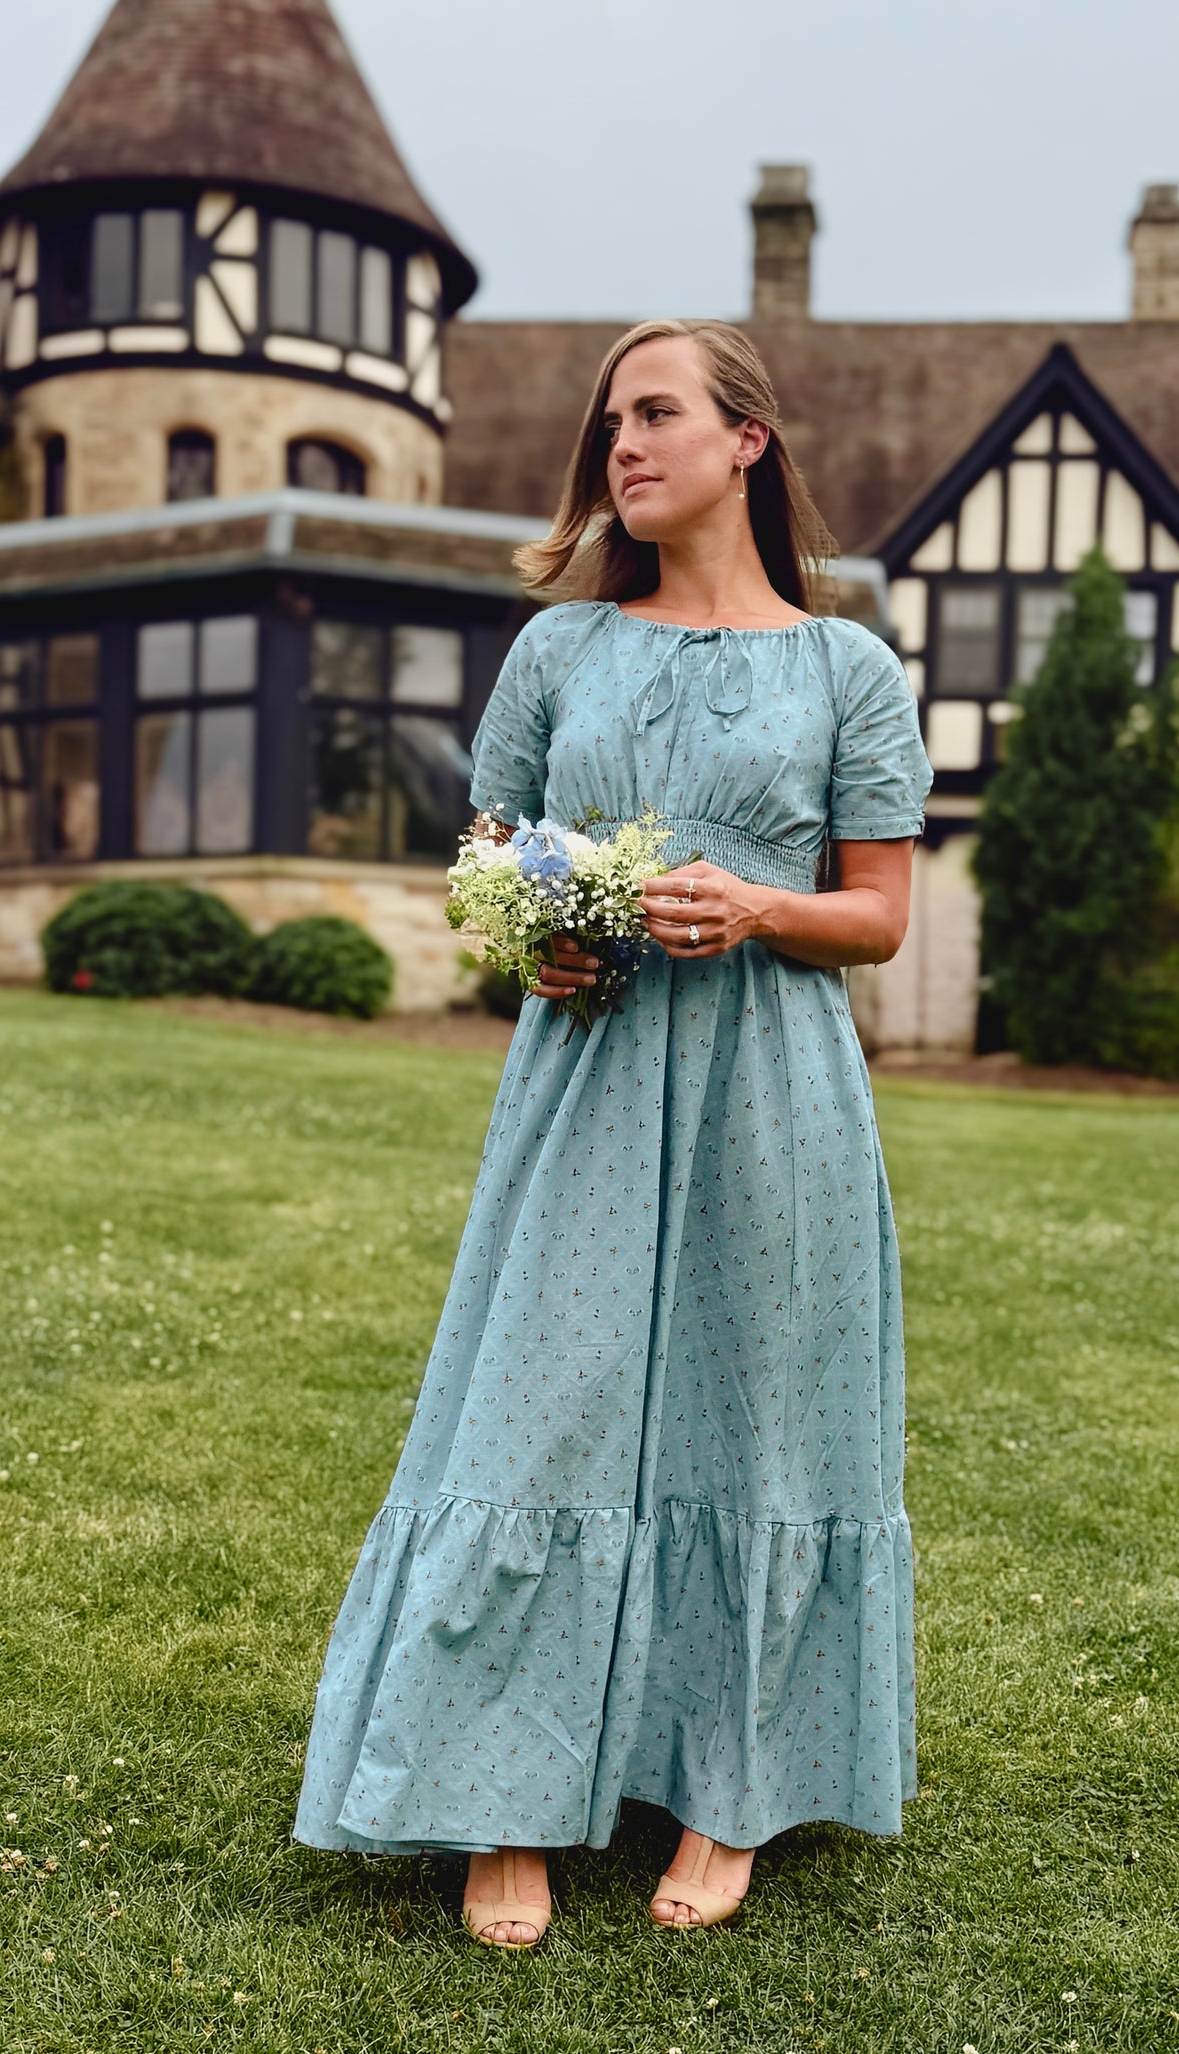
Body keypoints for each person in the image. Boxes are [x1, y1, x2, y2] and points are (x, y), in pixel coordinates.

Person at [293, 317, 930, 1947]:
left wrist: (759, 905)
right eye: (609, 426)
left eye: (655, 416)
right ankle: (497, 1791)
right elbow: (488, 866)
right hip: (585, 1072)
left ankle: (732, 1783)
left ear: (746, 444)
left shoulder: (846, 667)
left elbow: (876, 920)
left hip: (771, 1090)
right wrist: (529, 939)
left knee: (766, 1418)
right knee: (538, 1407)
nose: (622, 449)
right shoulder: (559, 652)